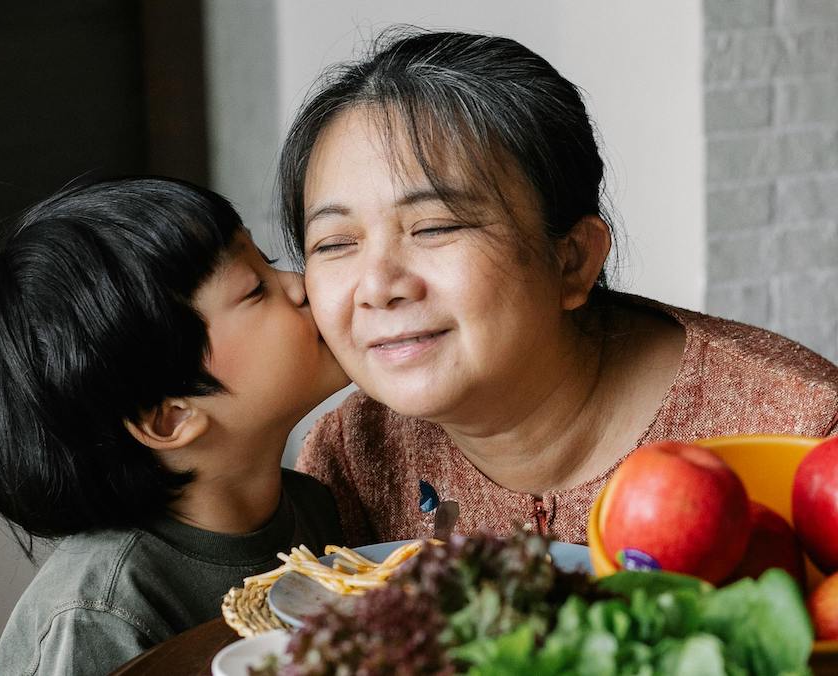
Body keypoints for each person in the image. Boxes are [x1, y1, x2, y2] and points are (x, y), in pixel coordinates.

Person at [276, 30, 838, 548]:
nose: (377, 287)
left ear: (572, 260)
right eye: (335, 243)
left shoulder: (802, 432)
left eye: (435, 228)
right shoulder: (351, 454)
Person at [0, 177, 349, 674]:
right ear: (170, 417)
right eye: (255, 288)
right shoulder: (103, 614)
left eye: (269, 260)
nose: (301, 284)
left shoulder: (316, 509)